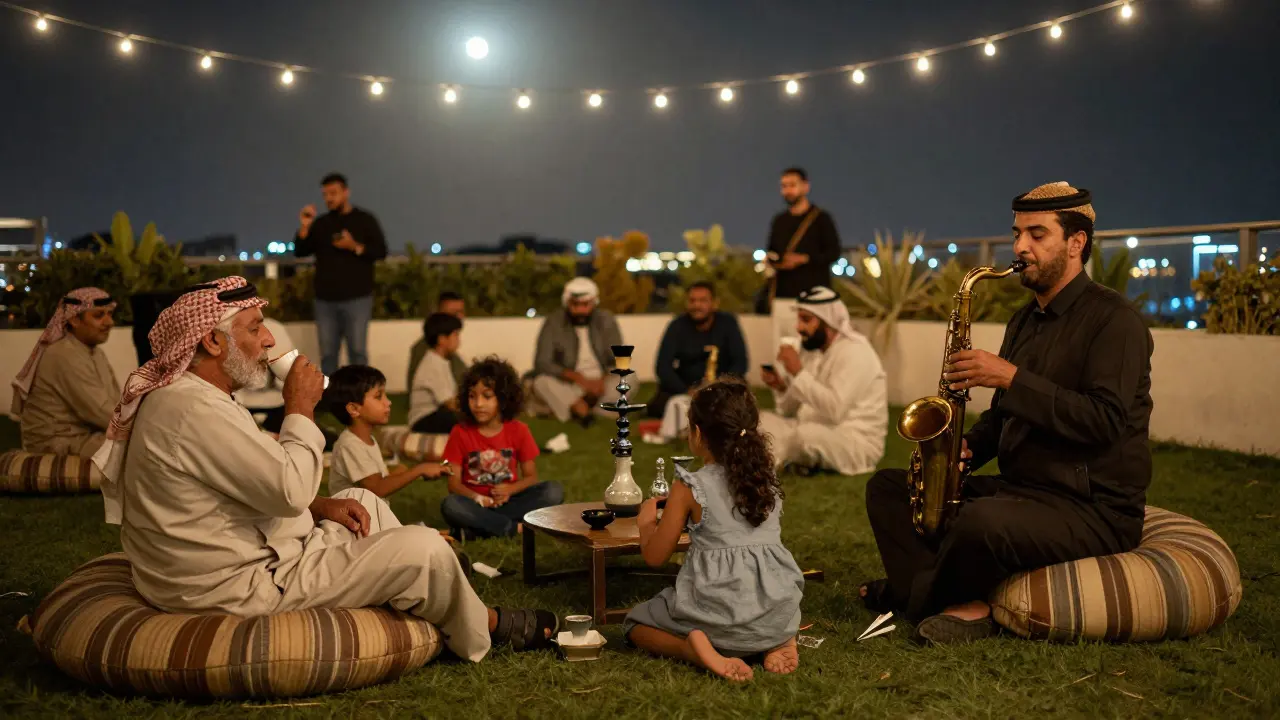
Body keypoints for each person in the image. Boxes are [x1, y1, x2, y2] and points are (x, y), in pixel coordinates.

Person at [92, 277, 558, 661]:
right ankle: (486, 627)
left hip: (247, 550)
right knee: (423, 550)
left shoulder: (197, 399)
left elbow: (257, 485)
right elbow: (287, 489)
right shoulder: (191, 410)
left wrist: (318, 505)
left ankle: (425, 591)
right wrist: (299, 406)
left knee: (360, 501)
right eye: (255, 328)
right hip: (237, 583)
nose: (270, 340)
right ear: (213, 341)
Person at [862, 182, 1155, 645]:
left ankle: (930, 598)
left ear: (1076, 243)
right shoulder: (1024, 320)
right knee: (887, 489)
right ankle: (944, 597)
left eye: (1037, 234)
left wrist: (1011, 378)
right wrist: (967, 449)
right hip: (1025, 491)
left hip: (1092, 507)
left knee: (982, 521)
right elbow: (1002, 418)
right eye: (1017, 233)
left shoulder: (1115, 321)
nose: (1020, 246)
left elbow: (1104, 422)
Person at [626, 379, 804, 682]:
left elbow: (655, 557)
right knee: (773, 606)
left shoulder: (690, 487)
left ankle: (692, 650)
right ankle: (779, 640)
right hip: (777, 612)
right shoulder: (766, 480)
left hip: (717, 621)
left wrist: (645, 522)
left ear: (697, 433)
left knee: (636, 623)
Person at [758, 286, 887, 476]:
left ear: (829, 321)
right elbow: (787, 411)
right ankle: (783, 458)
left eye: (806, 320)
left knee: (804, 437)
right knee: (759, 420)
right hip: (808, 426)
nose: (798, 327)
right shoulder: (812, 350)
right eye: (799, 319)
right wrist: (781, 387)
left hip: (853, 440)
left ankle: (770, 462)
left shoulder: (855, 352)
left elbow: (834, 410)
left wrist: (798, 372)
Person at [441, 357, 565, 539]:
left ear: (504, 397)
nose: (478, 404)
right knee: (451, 505)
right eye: (472, 396)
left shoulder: (519, 430)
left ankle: (477, 530)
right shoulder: (459, 432)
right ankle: (513, 528)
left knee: (554, 491)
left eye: (487, 396)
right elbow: (453, 484)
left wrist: (510, 490)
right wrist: (478, 498)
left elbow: (531, 477)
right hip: (476, 504)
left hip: (511, 500)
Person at [293, 173, 388, 377]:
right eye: (325, 194)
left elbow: (381, 251)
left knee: (358, 353)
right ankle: (331, 398)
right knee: (328, 355)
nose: (329, 198)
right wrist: (304, 225)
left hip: (358, 298)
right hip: (325, 300)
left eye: (333, 193)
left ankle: (361, 395)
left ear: (346, 193)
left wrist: (354, 246)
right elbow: (300, 250)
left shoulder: (364, 220)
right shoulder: (321, 224)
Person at [12, 287, 120, 457]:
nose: (109, 322)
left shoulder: (95, 353)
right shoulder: (63, 354)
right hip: (57, 442)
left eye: (110, 314)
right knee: (142, 446)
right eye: (99, 315)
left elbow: (114, 404)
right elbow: (100, 411)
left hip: (85, 435)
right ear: (74, 320)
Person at [325, 364, 451, 497]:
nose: (388, 402)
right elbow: (377, 488)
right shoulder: (350, 445)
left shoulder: (367, 440)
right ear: (354, 409)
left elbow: (377, 480)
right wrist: (418, 470)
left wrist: (403, 471)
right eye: (378, 396)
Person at [646, 281, 749, 441]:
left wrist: (720, 387)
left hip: (722, 387)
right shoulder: (677, 325)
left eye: (703, 301)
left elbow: (740, 362)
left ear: (714, 303)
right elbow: (663, 367)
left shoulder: (728, 323)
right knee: (661, 404)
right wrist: (687, 390)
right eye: (692, 301)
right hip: (686, 387)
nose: (697, 306)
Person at [765, 168, 842, 352]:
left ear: (805, 187)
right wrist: (777, 261)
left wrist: (804, 259)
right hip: (784, 295)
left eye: (792, 185)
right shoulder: (779, 221)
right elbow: (772, 251)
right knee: (783, 346)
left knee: (811, 347)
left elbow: (833, 252)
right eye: (784, 186)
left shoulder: (821, 219)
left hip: (813, 297)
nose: (788, 190)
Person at [530, 277, 622, 426]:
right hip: (569, 382)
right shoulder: (554, 322)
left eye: (585, 304)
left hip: (602, 383)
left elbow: (617, 358)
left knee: (630, 378)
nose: (580, 310)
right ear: (566, 303)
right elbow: (542, 362)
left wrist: (601, 380)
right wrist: (578, 379)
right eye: (575, 305)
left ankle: (595, 411)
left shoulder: (606, 320)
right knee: (541, 382)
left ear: (594, 302)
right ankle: (580, 408)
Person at [408, 313, 463, 434]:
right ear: (442, 339)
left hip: (437, 415)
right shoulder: (432, 364)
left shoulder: (442, 362)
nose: (459, 340)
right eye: (455, 335)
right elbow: (450, 403)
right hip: (423, 419)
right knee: (463, 419)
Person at [436, 291, 470, 384]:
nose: (459, 317)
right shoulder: (427, 349)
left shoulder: (450, 350)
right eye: (454, 313)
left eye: (461, 312)